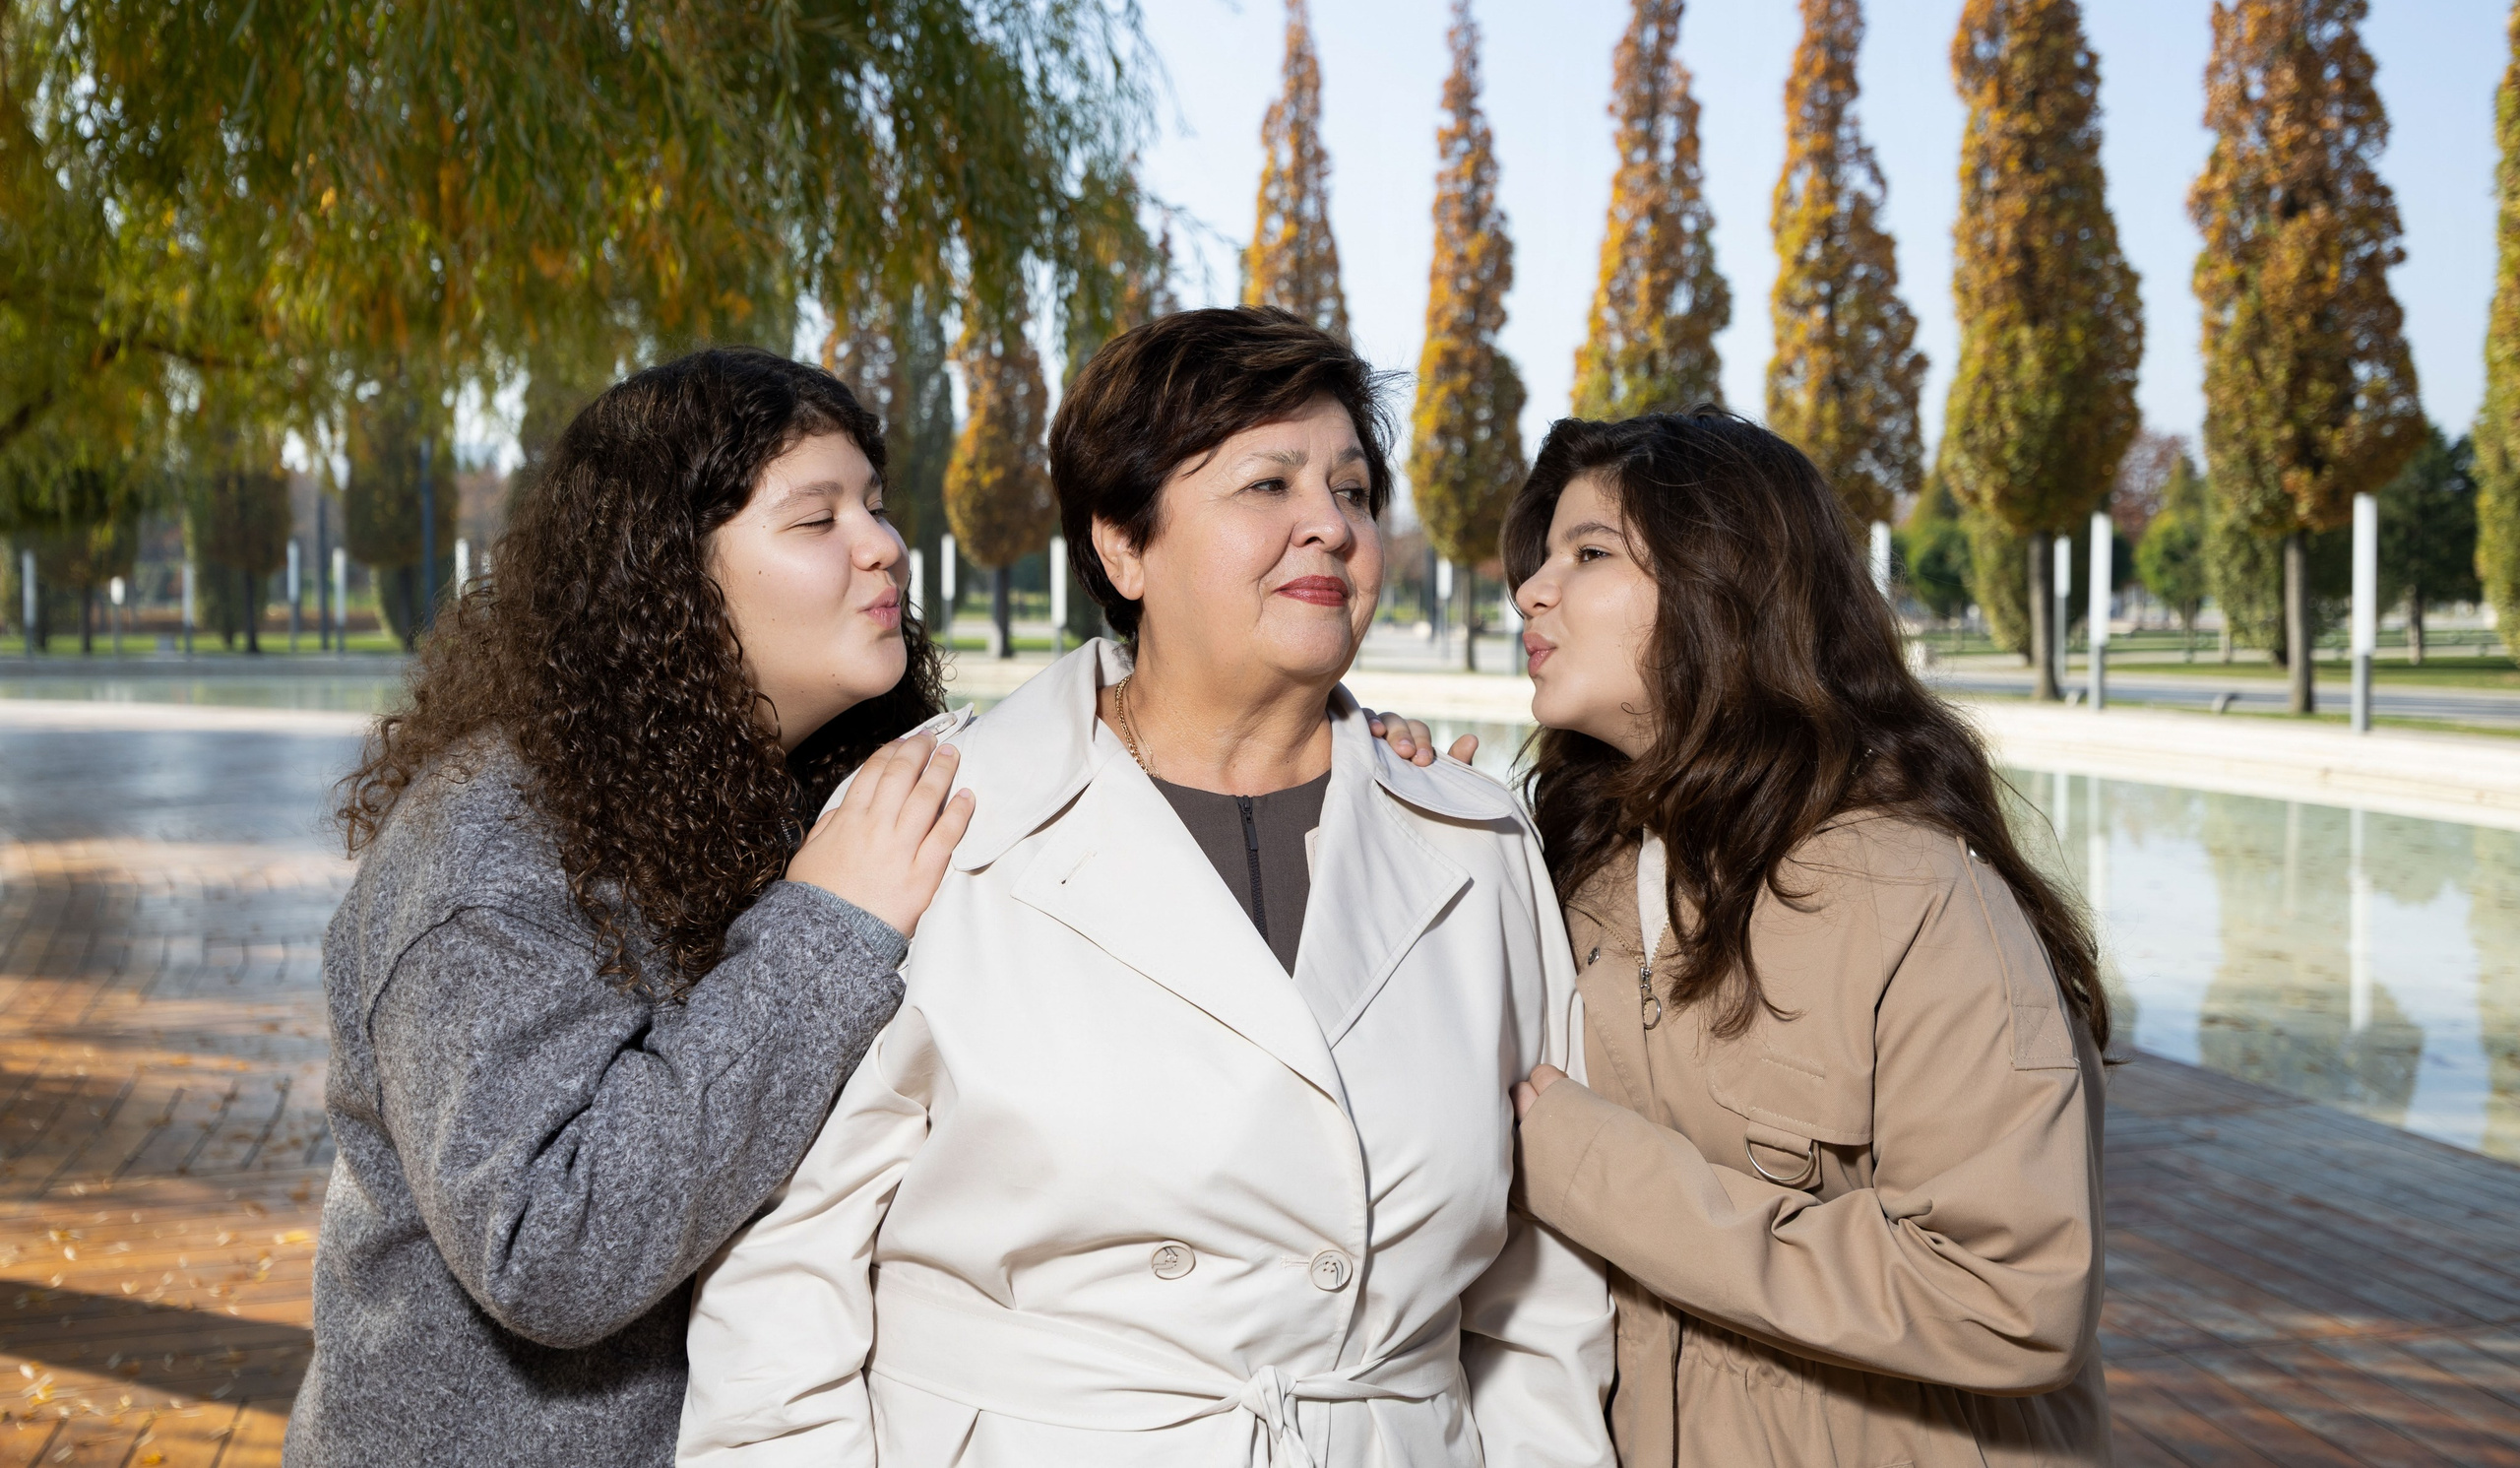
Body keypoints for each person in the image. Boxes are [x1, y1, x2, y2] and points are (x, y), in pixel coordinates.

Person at [678, 308, 1614, 1467]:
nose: (1328, 526)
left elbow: (1540, 1301)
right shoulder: (931, 818)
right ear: (1122, 544)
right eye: (1267, 485)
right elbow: (785, 1280)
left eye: (1355, 491)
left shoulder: (1474, 839)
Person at [289, 350, 975, 1466]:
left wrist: (1346, 760)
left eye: (876, 506)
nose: (883, 543)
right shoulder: (488, 846)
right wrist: (826, 931)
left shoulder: (815, 793)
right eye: (816, 519)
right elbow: (551, 1244)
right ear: (669, 580)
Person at [1502, 412, 2113, 1468]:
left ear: (1721, 589)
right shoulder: (1575, 873)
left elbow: (2013, 1296)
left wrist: (1589, 1166)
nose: (1531, 592)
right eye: (1542, 559)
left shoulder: (1912, 893)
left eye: (1588, 554)